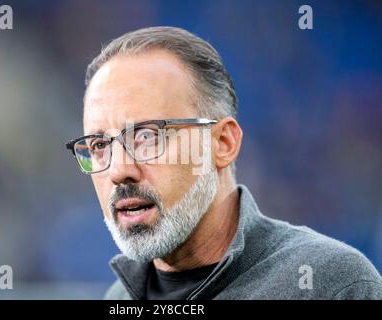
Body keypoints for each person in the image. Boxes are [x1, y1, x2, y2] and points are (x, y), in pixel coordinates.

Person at [66, 26, 382, 299]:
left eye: (147, 137)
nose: (120, 170)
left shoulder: (332, 284)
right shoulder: (119, 297)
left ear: (223, 143)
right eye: (99, 145)